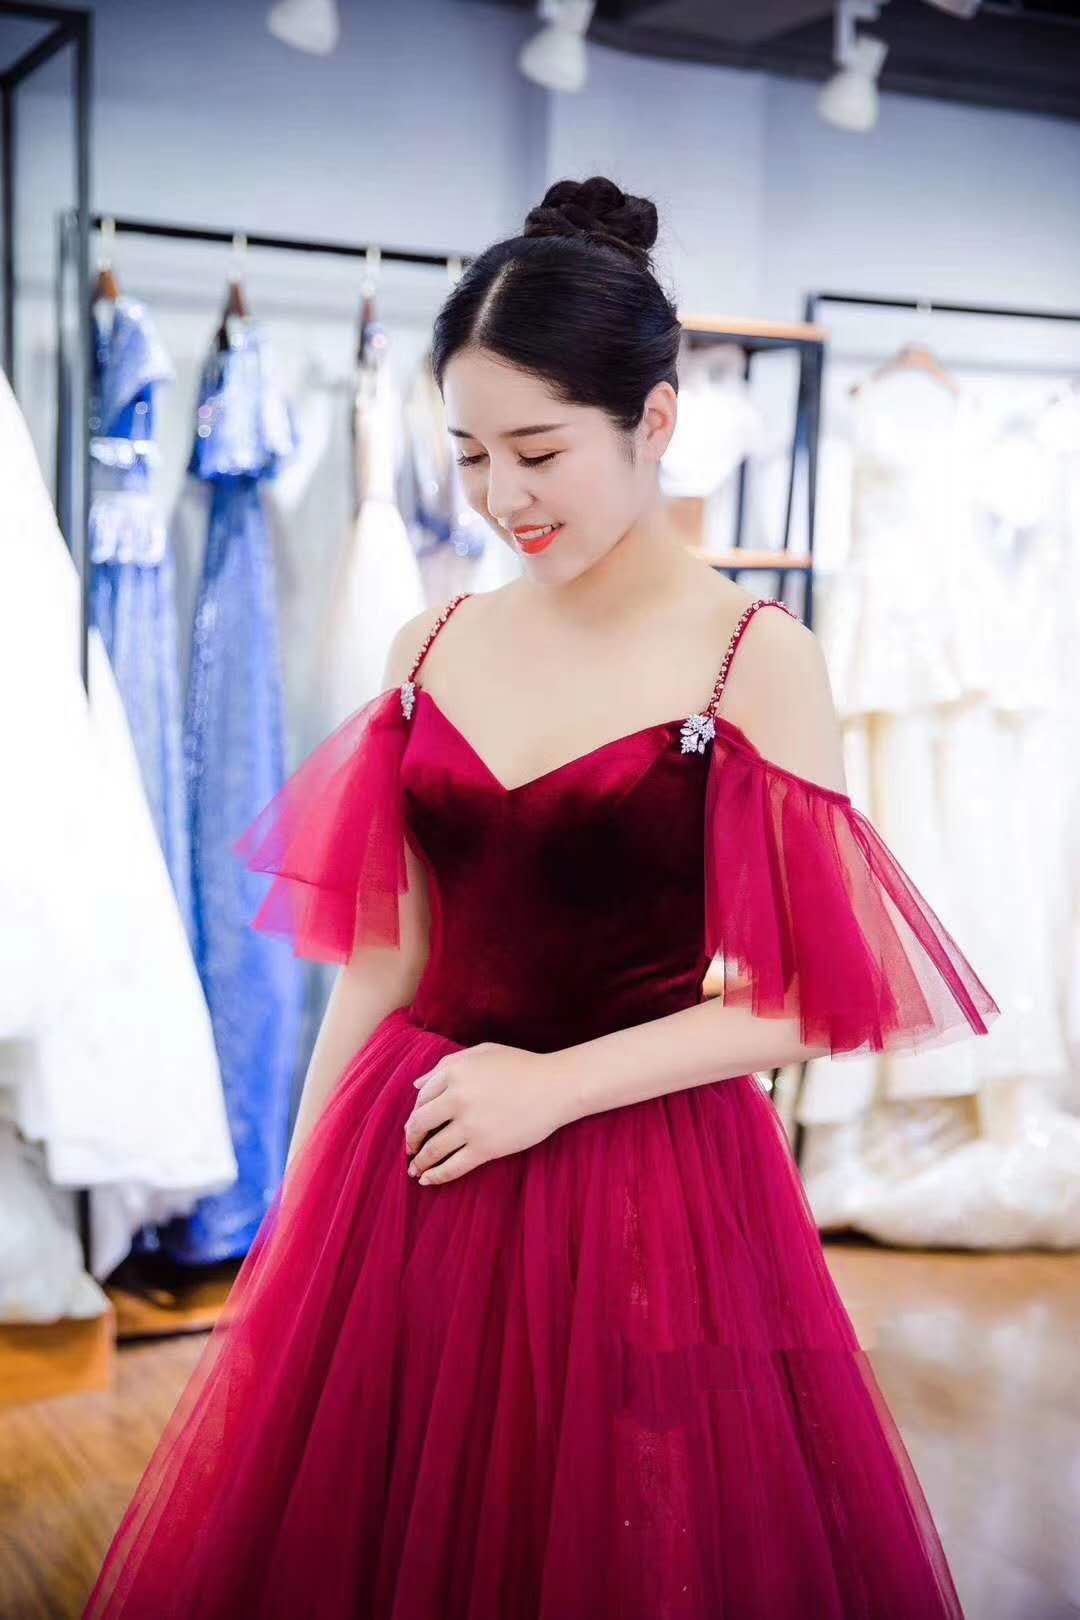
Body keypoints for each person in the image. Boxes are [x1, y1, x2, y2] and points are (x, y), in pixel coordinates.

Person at [84, 176, 999, 1620]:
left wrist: (553, 1088)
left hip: (643, 1177)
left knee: (621, 1539)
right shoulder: (431, 639)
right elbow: (383, 962)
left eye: (538, 451)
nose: (503, 497)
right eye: (468, 454)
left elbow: (807, 1006)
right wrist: (305, 1202)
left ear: (655, 420)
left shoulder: (753, 655)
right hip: (420, 1154)